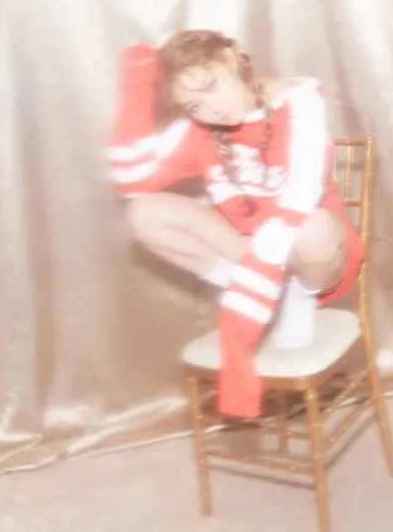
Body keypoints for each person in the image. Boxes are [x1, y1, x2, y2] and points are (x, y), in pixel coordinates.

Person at [106, 30, 364, 417]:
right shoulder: (198, 130)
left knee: (310, 227)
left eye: (211, 86)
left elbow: (303, 188)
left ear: (230, 58)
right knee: (142, 213)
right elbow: (131, 176)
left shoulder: (300, 101)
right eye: (194, 104)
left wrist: (267, 264)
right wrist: (137, 87)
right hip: (246, 251)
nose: (213, 109)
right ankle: (260, 288)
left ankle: (294, 296)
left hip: (314, 255)